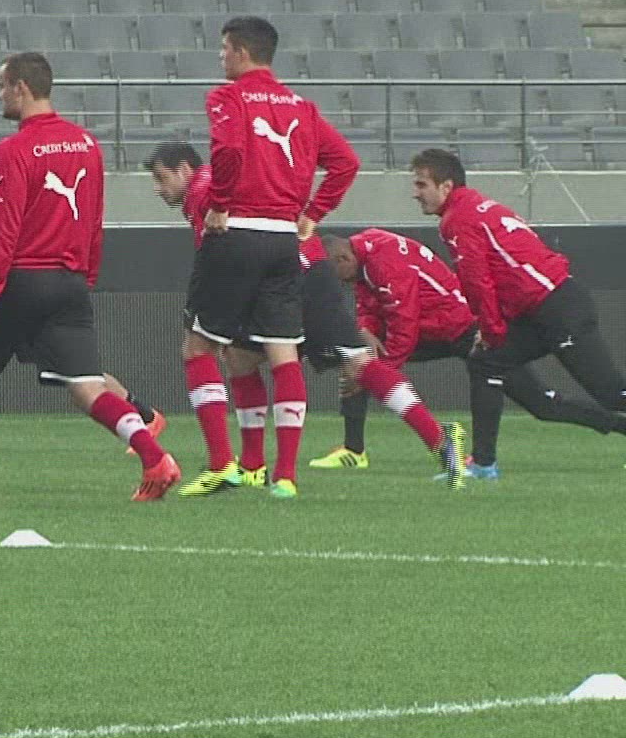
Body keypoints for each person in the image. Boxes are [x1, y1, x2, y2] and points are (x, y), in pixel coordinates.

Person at [0, 53, 179, 502]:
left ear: (21, 87)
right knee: (87, 388)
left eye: (2, 87)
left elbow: (5, 227)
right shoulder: (86, 144)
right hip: (70, 281)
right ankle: (155, 458)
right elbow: (95, 217)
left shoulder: (15, 149)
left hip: (22, 278)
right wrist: (86, 276)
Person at [148, 143, 466, 489]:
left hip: (288, 270)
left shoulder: (204, 190)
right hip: (293, 264)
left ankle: (269, 471)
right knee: (242, 358)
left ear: (185, 170)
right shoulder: (220, 182)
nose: (158, 189)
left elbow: (221, 246)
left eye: (161, 178)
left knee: (320, 359)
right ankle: (254, 467)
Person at [176, 16, 370, 499]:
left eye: (224, 49)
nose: (221, 57)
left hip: (237, 232)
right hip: (285, 241)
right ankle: (284, 476)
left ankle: (222, 464)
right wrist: (314, 214)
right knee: (281, 354)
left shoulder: (227, 98)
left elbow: (228, 152)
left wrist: (220, 203)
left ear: (241, 52)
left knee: (199, 348)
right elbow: (346, 163)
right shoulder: (301, 106)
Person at [321, 229, 626, 477]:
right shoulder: (363, 257)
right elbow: (369, 302)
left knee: (544, 405)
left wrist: (383, 372)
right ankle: (354, 450)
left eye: (340, 276)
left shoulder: (384, 259)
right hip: (434, 329)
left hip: (465, 330)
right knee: (357, 356)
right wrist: (366, 329)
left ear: (343, 258)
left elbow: (405, 323)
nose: (343, 283)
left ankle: (619, 426)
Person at [412, 148, 626, 474]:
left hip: (556, 308)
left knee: (610, 394)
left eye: (421, 184)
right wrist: (494, 330)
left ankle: (484, 464)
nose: (416, 193)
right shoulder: (479, 207)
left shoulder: (457, 220)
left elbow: (477, 282)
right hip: (547, 306)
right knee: (485, 361)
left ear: (446, 186)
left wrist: (491, 330)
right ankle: (483, 464)